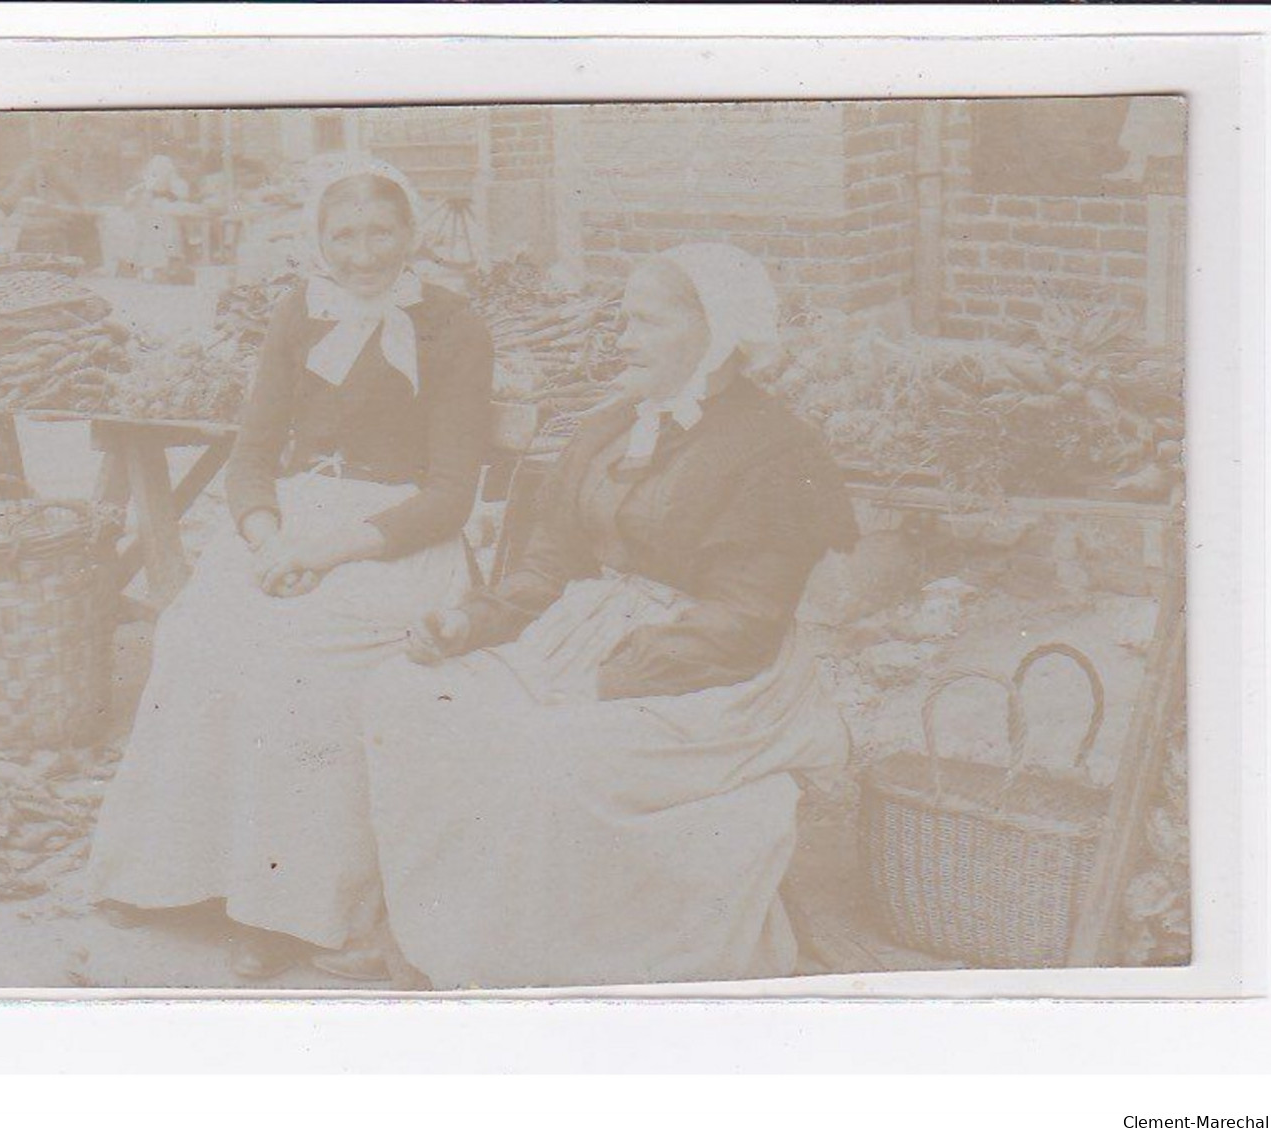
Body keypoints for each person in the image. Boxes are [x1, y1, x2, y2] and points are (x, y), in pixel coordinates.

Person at [360, 243, 859, 990]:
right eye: (622, 320)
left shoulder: (776, 450)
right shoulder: (614, 424)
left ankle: (529, 965)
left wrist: (611, 678)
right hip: (584, 641)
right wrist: (471, 621)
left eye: (643, 323)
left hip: (713, 680)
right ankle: (440, 936)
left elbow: (742, 621)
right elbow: (550, 562)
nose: (621, 340)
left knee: (536, 752)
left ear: (713, 331)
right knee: (403, 699)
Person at [86, 154, 494, 980]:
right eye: (343, 235)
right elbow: (251, 456)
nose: (364, 252)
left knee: (293, 663)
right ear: (318, 240)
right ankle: (176, 877)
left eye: (382, 232)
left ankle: (284, 911)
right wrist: (269, 538)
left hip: (394, 537)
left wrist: (325, 551)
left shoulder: (454, 325)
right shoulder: (297, 313)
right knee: (196, 635)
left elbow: (450, 495)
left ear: (411, 236)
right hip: (292, 527)